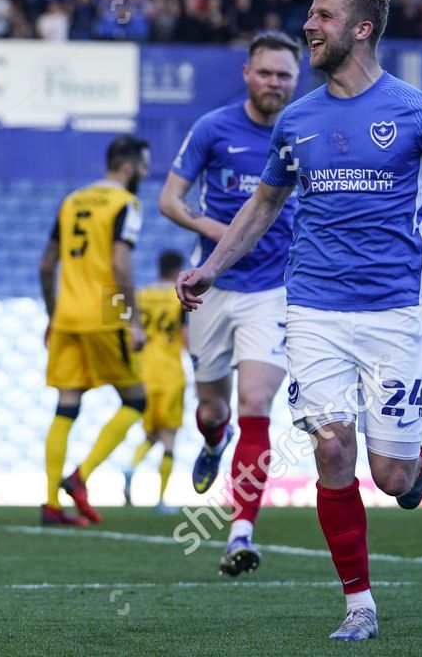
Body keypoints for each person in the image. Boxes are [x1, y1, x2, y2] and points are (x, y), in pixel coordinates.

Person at [176, 0, 422, 641]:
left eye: (322, 16)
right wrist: (212, 266)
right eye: (310, 14)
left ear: (361, 29)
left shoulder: (416, 110)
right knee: (331, 448)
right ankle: (359, 604)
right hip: (313, 312)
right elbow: (264, 204)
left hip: (391, 314)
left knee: (388, 474)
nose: (309, 25)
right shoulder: (296, 120)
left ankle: (412, 471)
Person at [157, 29, 301, 577]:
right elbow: (170, 198)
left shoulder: (306, 131)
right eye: (265, 72)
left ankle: (241, 531)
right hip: (212, 286)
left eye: (284, 74)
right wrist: (218, 230)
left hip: (274, 290)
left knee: (257, 402)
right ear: (247, 73)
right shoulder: (213, 128)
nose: (274, 82)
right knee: (213, 411)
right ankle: (215, 441)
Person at [37, 135, 151, 526]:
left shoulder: (71, 201)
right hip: (105, 311)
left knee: (65, 407)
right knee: (136, 401)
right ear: (129, 166)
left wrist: (53, 316)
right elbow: (120, 264)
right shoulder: (127, 204)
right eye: (144, 167)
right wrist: (132, 319)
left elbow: (45, 265)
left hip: (67, 314)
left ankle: (51, 502)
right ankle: (80, 477)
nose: (146, 174)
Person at [121, 249, 188, 514]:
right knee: (169, 437)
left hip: (144, 374)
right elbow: (185, 336)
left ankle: (131, 467)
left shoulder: (140, 295)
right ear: (176, 270)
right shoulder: (179, 297)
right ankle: (160, 500)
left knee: (150, 434)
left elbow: (128, 333)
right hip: (171, 373)